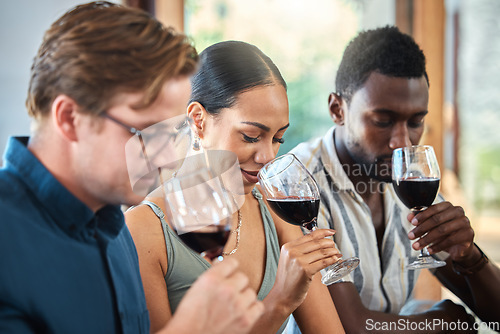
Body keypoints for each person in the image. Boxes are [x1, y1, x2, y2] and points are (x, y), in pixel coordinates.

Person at [0, 2, 264, 334]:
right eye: (145, 132)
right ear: (69, 118)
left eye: (172, 133)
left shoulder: (116, 229)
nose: (169, 157)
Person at [125, 40, 345, 334]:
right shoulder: (144, 229)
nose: (268, 157)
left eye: (278, 138)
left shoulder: (275, 207)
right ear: (198, 121)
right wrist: (280, 301)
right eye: (251, 136)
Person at [290, 26, 500, 333]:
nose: (403, 142)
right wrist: (436, 324)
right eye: (383, 121)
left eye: (416, 122)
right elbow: (350, 328)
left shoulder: (411, 181)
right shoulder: (300, 188)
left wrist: (471, 257)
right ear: (338, 109)